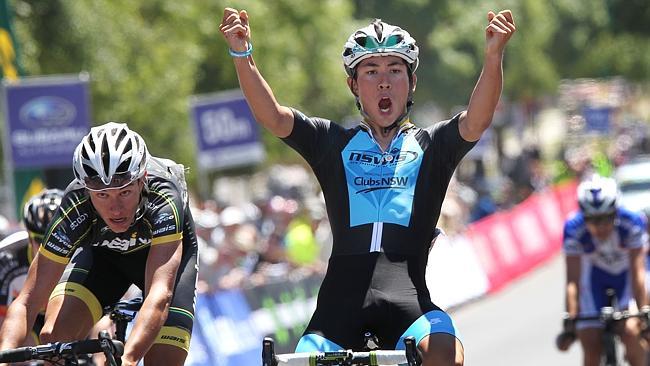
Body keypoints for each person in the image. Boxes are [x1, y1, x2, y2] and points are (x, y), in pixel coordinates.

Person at [220, 7, 515, 365]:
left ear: (412, 82)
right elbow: (274, 116)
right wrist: (242, 55)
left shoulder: (432, 146)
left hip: (408, 300)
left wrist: (493, 55)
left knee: (445, 355)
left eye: (395, 70)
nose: (384, 81)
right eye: (371, 72)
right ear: (353, 85)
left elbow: (477, 120)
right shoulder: (332, 143)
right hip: (337, 310)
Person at [0, 122, 198, 366]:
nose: (114, 208)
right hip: (105, 258)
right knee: (54, 339)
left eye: (124, 192)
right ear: (86, 190)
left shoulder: (164, 196)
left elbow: (159, 294)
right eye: (102, 195)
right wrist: (5, 357)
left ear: (141, 180)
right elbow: (27, 301)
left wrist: (128, 359)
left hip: (161, 259)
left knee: (163, 360)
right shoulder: (76, 203)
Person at [555, 174, 648, 366]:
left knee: (632, 332)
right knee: (589, 342)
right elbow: (573, 280)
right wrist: (571, 319)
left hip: (626, 276)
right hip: (594, 279)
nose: (601, 227)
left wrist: (644, 311)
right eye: (593, 220)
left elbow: (637, 271)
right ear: (583, 216)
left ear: (616, 211)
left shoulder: (631, 221)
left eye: (607, 218)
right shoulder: (573, 228)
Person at [0, 189, 63, 347]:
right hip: (26, 320)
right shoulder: (6, 257)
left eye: (58, 239)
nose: (48, 247)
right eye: (40, 240)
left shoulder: (86, 250)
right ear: (29, 237)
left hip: (65, 316)